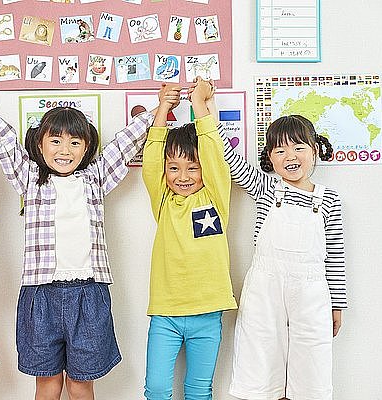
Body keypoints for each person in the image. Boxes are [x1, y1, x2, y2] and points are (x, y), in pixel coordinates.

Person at [0, 65, 180, 400]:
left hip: (88, 295)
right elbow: (3, 137)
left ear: (86, 147)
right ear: (40, 143)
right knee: (48, 383)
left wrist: (161, 107)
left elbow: (126, 142)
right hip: (40, 295)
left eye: (74, 142)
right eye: (55, 141)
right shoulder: (30, 179)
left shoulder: (95, 178)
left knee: (81, 384)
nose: (64, 150)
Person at [218, 112, 347, 400]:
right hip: (266, 287)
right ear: (270, 158)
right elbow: (226, 155)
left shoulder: (329, 199)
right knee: (262, 361)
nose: (291, 155)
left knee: (310, 367)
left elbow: (335, 256)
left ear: (314, 150)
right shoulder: (264, 188)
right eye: (280, 149)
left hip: (312, 292)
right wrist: (205, 105)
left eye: (299, 147)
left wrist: (337, 305)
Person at [141, 77, 237, 400]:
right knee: (156, 390)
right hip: (166, 315)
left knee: (199, 391)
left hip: (208, 313)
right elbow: (151, 162)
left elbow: (213, 154)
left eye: (192, 168)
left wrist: (199, 104)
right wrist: (163, 109)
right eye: (174, 168)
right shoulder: (164, 201)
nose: (182, 176)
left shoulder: (215, 196)